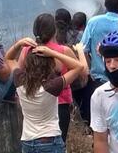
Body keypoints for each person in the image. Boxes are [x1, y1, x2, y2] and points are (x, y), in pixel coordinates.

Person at [5, 30, 84, 153]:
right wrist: (52, 52)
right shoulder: (51, 86)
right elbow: (78, 67)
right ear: (49, 66)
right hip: (50, 141)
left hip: (27, 141)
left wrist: (19, 44)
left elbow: (9, 58)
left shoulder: (20, 81)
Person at [18, 13, 82, 142]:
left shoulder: (27, 50)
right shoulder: (63, 50)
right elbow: (80, 70)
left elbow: (19, 72)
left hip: (35, 103)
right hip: (61, 102)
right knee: (59, 142)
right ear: (54, 31)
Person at [79, 0, 118, 124]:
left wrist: (88, 70)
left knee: (99, 120)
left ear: (105, 4)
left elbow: (83, 49)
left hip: (97, 79)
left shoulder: (93, 22)